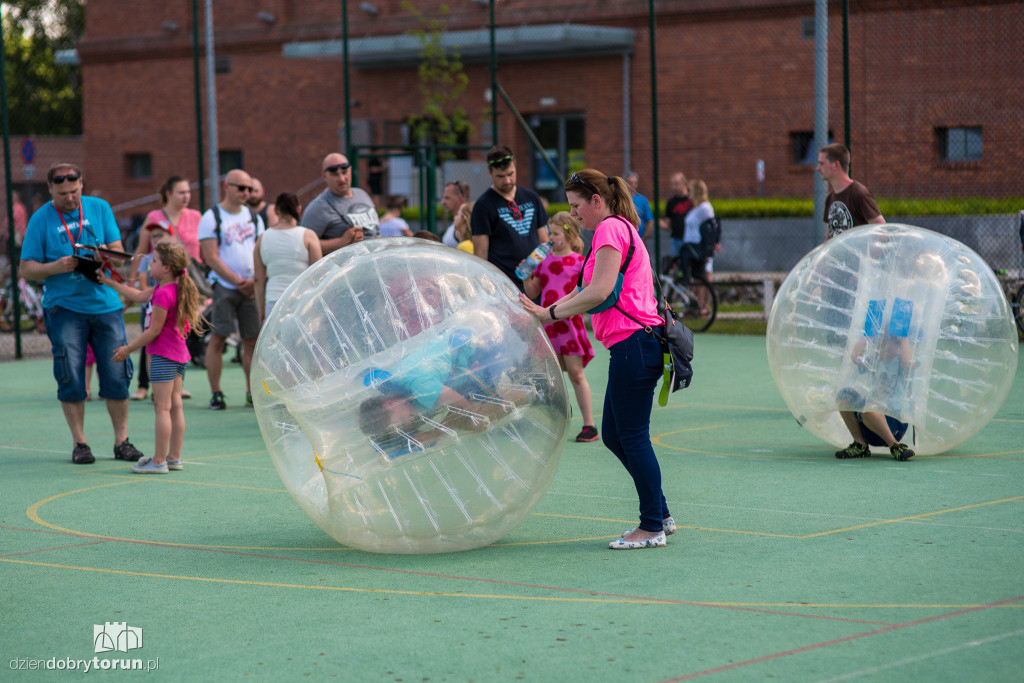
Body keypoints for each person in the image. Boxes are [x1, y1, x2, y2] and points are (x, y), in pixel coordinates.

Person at [520, 168, 674, 550]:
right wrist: (547, 309)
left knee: (633, 438)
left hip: (635, 344)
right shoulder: (615, 229)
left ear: (597, 201)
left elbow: (598, 291)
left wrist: (547, 314)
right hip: (632, 345)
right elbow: (589, 292)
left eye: (576, 206)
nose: (573, 215)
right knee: (614, 435)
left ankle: (652, 524)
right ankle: (661, 514)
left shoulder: (609, 229)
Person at [18, 162, 145, 465]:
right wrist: (55, 267)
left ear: (82, 185)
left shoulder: (99, 208)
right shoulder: (40, 219)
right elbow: (26, 268)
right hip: (64, 309)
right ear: (50, 189)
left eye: (74, 192)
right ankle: (80, 443)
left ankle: (121, 441)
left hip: (106, 305)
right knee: (71, 376)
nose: (70, 199)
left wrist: (104, 253)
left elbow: (117, 249)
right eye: (63, 194)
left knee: (116, 374)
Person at [98, 241, 206, 473]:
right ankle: (173, 457)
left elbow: (153, 330)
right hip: (178, 355)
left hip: (163, 355)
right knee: (175, 406)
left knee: (162, 408)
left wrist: (128, 348)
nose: (150, 265)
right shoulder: (170, 288)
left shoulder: (163, 294)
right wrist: (109, 282)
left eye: (154, 261)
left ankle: (159, 461)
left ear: (166, 268)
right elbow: (137, 296)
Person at [522, 211, 598, 443]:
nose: (550, 237)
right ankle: (556, 421)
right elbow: (533, 292)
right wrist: (526, 274)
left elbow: (586, 293)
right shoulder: (543, 261)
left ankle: (589, 425)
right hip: (549, 327)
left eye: (555, 233)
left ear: (569, 234)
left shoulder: (580, 262)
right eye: (549, 233)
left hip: (568, 325)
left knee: (575, 373)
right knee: (550, 377)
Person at [197, 169, 265, 410]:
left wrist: (254, 280)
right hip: (225, 286)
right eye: (241, 188)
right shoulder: (211, 217)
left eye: (249, 188)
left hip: (250, 286)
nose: (247, 193)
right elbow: (211, 257)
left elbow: (260, 251)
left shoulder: (254, 217)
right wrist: (237, 281)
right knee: (218, 338)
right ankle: (216, 392)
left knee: (251, 340)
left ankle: (251, 392)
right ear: (227, 186)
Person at [835, 297, 916, 461]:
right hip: (869, 421)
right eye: (881, 344)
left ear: (897, 345)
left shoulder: (900, 364)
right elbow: (854, 357)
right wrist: (867, 334)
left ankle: (895, 446)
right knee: (845, 396)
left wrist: (902, 335)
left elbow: (908, 363)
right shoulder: (875, 361)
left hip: (893, 423)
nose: (885, 349)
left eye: (890, 345)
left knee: (868, 409)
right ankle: (860, 444)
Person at [470, 146, 549, 291]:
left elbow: (544, 242)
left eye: (511, 174)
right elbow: (481, 255)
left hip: (535, 283)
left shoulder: (532, 197)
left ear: (515, 167)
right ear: (490, 172)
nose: (507, 180)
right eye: (500, 176)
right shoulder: (483, 205)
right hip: (504, 286)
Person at [127, 218, 176, 401]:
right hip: (151, 307)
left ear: (170, 236)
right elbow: (142, 284)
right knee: (149, 344)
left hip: (169, 308)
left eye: (160, 234)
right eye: (153, 235)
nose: (155, 238)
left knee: (173, 344)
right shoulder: (147, 259)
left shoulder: (177, 259)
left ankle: (174, 384)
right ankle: (144, 386)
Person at [253, 192, 322, 321]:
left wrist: (261, 310)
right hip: (303, 301)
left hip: (274, 302)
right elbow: (318, 276)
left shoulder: (262, 238)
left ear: (275, 210)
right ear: (299, 209)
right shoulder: (309, 236)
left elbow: (258, 279)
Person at [303, 152, 380, 254]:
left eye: (344, 172)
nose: (341, 179)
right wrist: (341, 242)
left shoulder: (362, 194)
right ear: (324, 176)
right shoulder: (318, 207)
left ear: (351, 170)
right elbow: (304, 243)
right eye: (334, 175)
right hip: (345, 269)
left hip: (375, 264)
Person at [817, 143, 886, 241]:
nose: (818, 168)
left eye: (822, 164)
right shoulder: (830, 198)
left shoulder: (859, 194)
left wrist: (866, 255)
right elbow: (829, 239)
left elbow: (883, 232)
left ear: (836, 165)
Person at [679, 179, 720, 284]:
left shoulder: (705, 208)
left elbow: (712, 226)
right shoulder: (694, 208)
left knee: (705, 274)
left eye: (690, 191)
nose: (688, 193)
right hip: (691, 244)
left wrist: (714, 242)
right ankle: (697, 299)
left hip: (699, 246)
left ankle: (706, 300)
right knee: (696, 275)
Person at [659, 172, 693, 272]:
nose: (674, 187)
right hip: (676, 240)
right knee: (676, 267)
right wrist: (659, 223)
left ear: (684, 183)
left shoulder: (692, 200)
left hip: (691, 240)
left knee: (691, 267)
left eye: (676, 184)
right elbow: (667, 225)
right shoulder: (671, 202)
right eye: (672, 184)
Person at [626, 171, 655, 243]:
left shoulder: (643, 200)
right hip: (624, 240)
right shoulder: (620, 200)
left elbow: (650, 221)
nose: (632, 185)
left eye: (634, 183)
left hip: (639, 239)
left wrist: (644, 238)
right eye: (630, 182)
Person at [440, 180, 470, 247]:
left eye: (447, 198)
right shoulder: (456, 224)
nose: (443, 202)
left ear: (460, 198)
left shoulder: (464, 224)